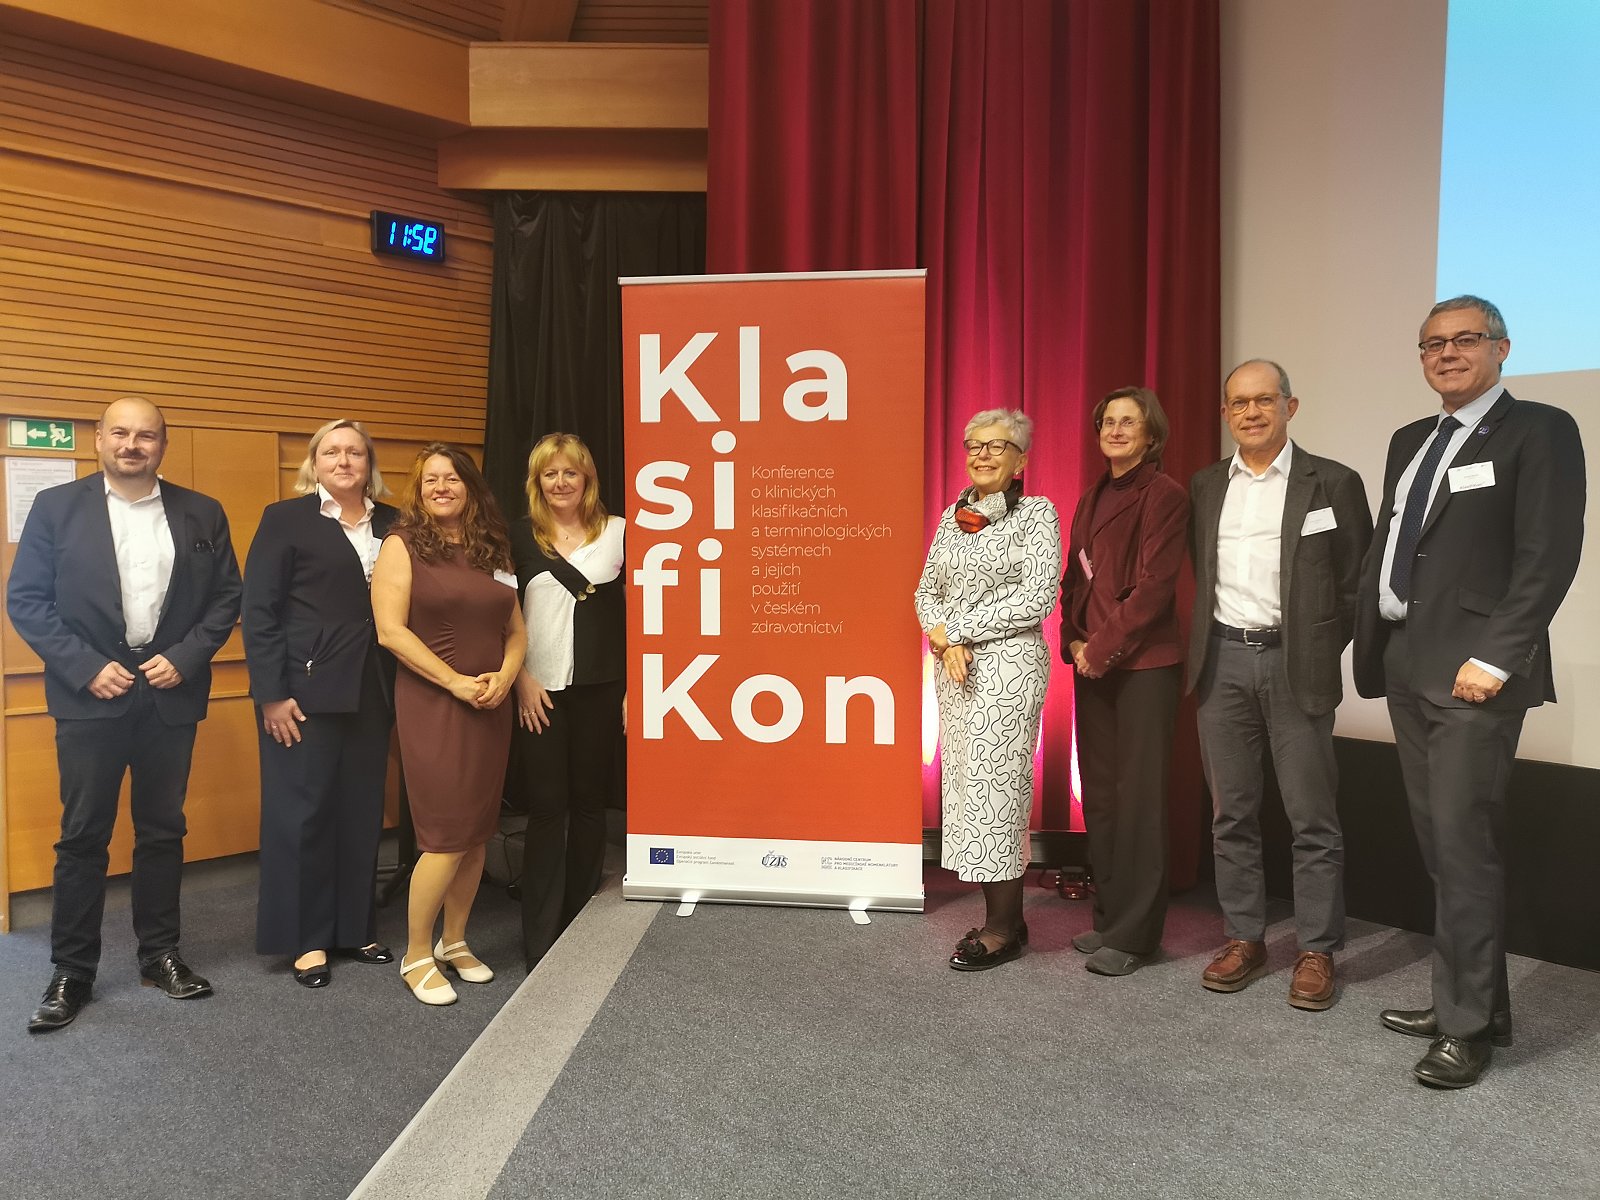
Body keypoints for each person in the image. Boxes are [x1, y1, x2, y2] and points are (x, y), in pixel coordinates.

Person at [1353, 296, 1586, 1088]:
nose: (1447, 353)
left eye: (1465, 340)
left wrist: (1497, 656)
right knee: (1441, 848)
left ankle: (1466, 1028)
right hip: (1406, 662)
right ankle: (1475, 1003)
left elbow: (1548, 554)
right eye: (1432, 344)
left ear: (1502, 348)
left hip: (1474, 674)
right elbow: (1395, 544)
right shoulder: (1410, 440)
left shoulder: (1540, 430)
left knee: (1463, 847)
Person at [8, 397, 241, 1032]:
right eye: (120, 433)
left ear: (163, 444)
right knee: (83, 835)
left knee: (163, 830)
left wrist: (186, 658)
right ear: (99, 439)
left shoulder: (202, 511)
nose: (132, 445)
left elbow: (226, 597)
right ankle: (72, 970)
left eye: (146, 435)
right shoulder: (56, 507)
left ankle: (159, 956)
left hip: (170, 693)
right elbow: (27, 599)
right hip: (90, 696)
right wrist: (85, 666)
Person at [1187, 361, 1372, 1009]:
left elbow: (1356, 583)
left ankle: (1317, 948)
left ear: (1290, 407)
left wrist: (1318, 648)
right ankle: (1245, 937)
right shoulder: (1206, 485)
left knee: (1311, 817)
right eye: (1239, 403)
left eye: (1264, 400)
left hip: (1297, 667)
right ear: (1225, 414)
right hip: (1221, 664)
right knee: (1230, 814)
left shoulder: (1333, 482)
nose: (1252, 412)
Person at [243, 419, 398, 988]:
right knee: (303, 813)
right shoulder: (285, 519)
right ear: (314, 463)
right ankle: (306, 937)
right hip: (302, 692)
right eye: (331, 452)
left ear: (369, 463)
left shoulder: (396, 522)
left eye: (355, 451)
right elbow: (259, 610)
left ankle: (354, 927)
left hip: (374, 687)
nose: (343, 461)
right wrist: (271, 694)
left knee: (361, 809)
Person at [372, 444, 526, 1005]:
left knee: (478, 832)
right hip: (435, 704)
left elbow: (516, 630)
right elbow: (391, 632)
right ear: (419, 490)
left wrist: (507, 676)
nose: (442, 487)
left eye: (453, 478)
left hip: (490, 703)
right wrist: (455, 682)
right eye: (431, 479)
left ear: (470, 487)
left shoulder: (492, 547)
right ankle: (416, 954)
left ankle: (454, 941)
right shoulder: (402, 544)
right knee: (444, 837)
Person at [915, 409, 1061, 971]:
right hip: (954, 671)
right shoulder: (952, 517)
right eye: (974, 445)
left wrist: (956, 630)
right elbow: (926, 590)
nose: (982, 455)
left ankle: (1002, 928)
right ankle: (1009, 917)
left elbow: (1037, 597)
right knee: (969, 792)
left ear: (1020, 459)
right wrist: (942, 636)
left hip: (1008, 669)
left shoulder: (1037, 515)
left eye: (997, 446)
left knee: (997, 791)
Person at [1060, 387, 1187, 977]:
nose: (1114, 430)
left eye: (1128, 421)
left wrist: (1100, 649)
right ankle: (1109, 918)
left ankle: (1137, 936)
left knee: (1138, 801)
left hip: (1142, 667)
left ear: (1150, 434)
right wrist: (1073, 640)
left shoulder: (1164, 494)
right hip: (1093, 661)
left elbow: (1155, 587)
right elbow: (1075, 580)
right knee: (1103, 797)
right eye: (1107, 421)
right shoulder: (1091, 495)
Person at [509, 433, 626, 970]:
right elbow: (501, 616)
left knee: (588, 804)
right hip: (540, 689)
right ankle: (540, 932)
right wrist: (520, 679)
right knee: (547, 807)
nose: (560, 482)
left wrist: (635, 688)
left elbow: (642, 614)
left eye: (570, 473)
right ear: (537, 482)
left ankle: (580, 919)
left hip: (601, 687)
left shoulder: (620, 533)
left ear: (587, 479)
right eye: (549, 474)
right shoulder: (517, 537)